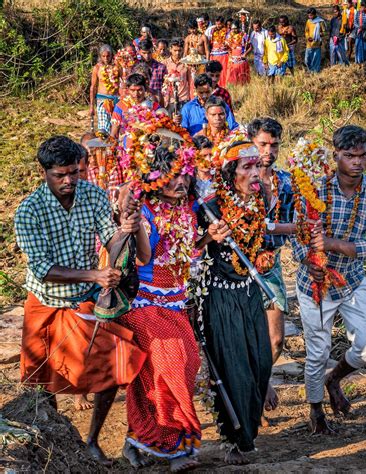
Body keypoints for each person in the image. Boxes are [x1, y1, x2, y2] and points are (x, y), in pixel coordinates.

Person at [14, 136, 150, 465]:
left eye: (75, 172)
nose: (69, 181)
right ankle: (47, 443)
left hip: (85, 300)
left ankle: (92, 441)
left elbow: (110, 239)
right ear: (43, 172)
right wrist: (96, 275)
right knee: (41, 380)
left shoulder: (92, 194)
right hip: (46, 302)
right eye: (61, 174)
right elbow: (43, 269)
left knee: (117, 364)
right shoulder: (28, 211)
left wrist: (125, 230)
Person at [119, 139, 230, 470]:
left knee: (186, 365)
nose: (181, 182)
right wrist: (137, 226)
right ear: (156, 176)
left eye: (186, 175)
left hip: (177, 301)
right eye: (173, 175)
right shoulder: (147, 211)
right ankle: (176, 449)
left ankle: (139, 436)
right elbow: (144, 256)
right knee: (169, 365)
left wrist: (209, 236)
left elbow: (189, 249)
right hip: (144, 303)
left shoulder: (187, 208)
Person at [290, 125, 366, 434]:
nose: (357, 163)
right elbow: (297, 240)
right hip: (314, 284)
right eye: (349, 156)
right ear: (336, 155)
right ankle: (316, 410)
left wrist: (331, 245)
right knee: (317, 351)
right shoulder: (313, 188)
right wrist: (310, 259)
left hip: (351, 280)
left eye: (362, 156)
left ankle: (334, 378)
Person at [198, 139, 273, 464]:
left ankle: (248, 432)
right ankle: (238, 441)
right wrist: (208, 237)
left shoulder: (260, 198)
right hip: (221, 297)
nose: (256, 172)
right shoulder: (211, 204)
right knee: (235, 370)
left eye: (257, 165)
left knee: (261, 363)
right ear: (231, 172)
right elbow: (187, 247)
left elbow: (264, 241)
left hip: (250, 291)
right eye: (248, 167)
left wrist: (265, 255)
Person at [248, 118, 296, 423]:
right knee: (244, 334)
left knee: (276, 339)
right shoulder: (238, 178)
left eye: (274, 144)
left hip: (271, 262)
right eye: (263, 144)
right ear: (251, 143)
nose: (269, 150)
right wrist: (286, 226)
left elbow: (296, 225)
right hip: (239, 266)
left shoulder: (287, 182)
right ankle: (251, 391)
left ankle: (261, 379)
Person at [110, 73, 162, 141]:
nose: (136, 94)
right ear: (128, 90)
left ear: (145, 89)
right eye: (133, 90)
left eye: (139, 90)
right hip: (127, 149)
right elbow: (114, 133)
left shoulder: (153, 106)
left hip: (149, 147)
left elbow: (164, 125)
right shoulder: (121, 105)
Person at [89, 44, 119, 133]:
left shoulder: (117, 67)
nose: (106, 58)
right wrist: (91, 106)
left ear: (112, 55)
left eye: (108, 56)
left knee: (115, 126)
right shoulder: (97, 68)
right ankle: (103, 145)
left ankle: (113, 146)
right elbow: (93, 88)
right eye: (104, 56)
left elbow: (124, 82)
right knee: (103, 127)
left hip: (115, 100)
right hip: (102, 99)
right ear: (100, 56)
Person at [163, 39, 192, 112]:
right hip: (170, 100)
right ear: (170, 49)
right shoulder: (164, 64)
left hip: (184, 98)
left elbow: (191, 82)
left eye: (179, 50)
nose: (177, 53)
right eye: (175, 50)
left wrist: (192, 98)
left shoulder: (187, 63)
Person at [137, 38, 167, 104]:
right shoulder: (135, 68)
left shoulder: (161, 67)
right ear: (139, 52)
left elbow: (166, 87)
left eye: (149, 53)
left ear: (152, 51)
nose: (147, 56)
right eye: (144, 53)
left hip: (156, 102)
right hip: (138, 103)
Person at [209, 17, 230, 87]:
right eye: (216, 24)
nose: (217, 26)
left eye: (219, 24)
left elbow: (230, 42)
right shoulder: (212, 30)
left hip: (223, 55)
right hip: (214, 54)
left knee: (222, 71)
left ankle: (223, 86)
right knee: (213, 71)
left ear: (223, 24)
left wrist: (226, 45)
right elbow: (210, 41)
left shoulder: (227, 31)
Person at [304, 8, 326, 73]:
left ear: (315, 14)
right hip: (309, 43)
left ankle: (315, 72)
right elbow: (306, 31)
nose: (310, 17)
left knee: (316, 59)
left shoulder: (320, 21)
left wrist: (320, 34)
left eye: (311, 15)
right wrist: (308, 37)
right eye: (309, 15)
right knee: (307, 59)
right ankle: (310, 69)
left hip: (317, 43)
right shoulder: (308, 21)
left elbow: (324, 32)